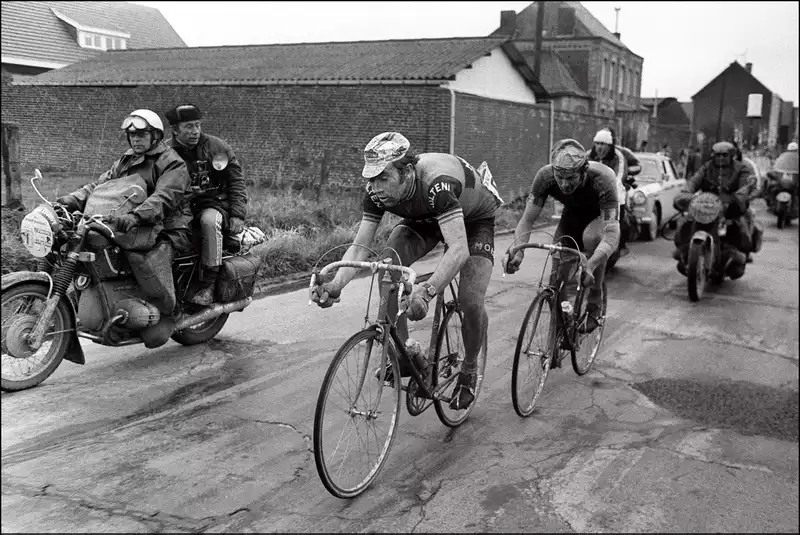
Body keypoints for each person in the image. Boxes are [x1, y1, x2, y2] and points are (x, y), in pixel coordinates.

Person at [310, 132, 503, 410]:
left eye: (383, 178)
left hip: (473, 222)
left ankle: (469, 371)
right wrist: (335, 285)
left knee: (470, 300)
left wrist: (427, 291)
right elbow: (360, 247)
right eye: (371, 179)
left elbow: (458, 249)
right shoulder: (376, 193)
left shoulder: (437, 184)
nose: (375, 187)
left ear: (408, 172)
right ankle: (406, 356)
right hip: (424, 220)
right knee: (388, 266)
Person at [56, 109, 193, 347]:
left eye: (141, 134)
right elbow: (99, 186)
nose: (136, 139)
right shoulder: (126, 160)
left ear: (155, 136)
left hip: (170, 225)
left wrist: (136, 215)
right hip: (132, 222)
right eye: (132, 135)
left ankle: (167, 311)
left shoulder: (172, 162)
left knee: (144, 259)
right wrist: (70, 199)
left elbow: (164, 197)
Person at [503, 139, 620, 336]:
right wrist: (519, 251)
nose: (564, 184)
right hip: (572, 215)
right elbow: (526, 220)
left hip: (600, 216)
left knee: (592, 238)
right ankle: (564, 319)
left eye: (571, 178)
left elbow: (612, 234)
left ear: (583, 171)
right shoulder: (545, 176)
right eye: (560, 178)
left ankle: (594, 303)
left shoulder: (603, 178)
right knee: (558, 270)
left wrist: (590, 265)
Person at [165, 104, 249, 306]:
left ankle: (208, 285)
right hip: (181, 207)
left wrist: (237, 214)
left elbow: (236, 180)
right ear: (175, 130)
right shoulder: (166, 152)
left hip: (215, 204)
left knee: (209, 222)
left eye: (197, 125)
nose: (195, 131)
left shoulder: (217, 147)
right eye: (189, 127)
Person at [672, 141, 754, 279]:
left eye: (724, 155)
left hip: (730, 209)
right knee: (684, 223)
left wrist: (736, 199)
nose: (720, 158)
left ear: (732, 156)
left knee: (742, 227)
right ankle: (684, 251)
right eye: (717, 155)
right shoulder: (706, 168)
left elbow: (744, 189)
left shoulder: (742, 169)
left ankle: (742, 253)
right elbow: (693, 182)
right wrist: (685, 195)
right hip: (706, 207)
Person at [587, 128, 638, 257]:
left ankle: (618, 243)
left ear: (610, 144)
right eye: (597, 143)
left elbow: (619, 176)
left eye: (603, 144)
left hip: (615, 190)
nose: (599, 147)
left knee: (619, 214)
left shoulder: (620, 155)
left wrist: (621, 182)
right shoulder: (588, 155)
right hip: (593, 193)